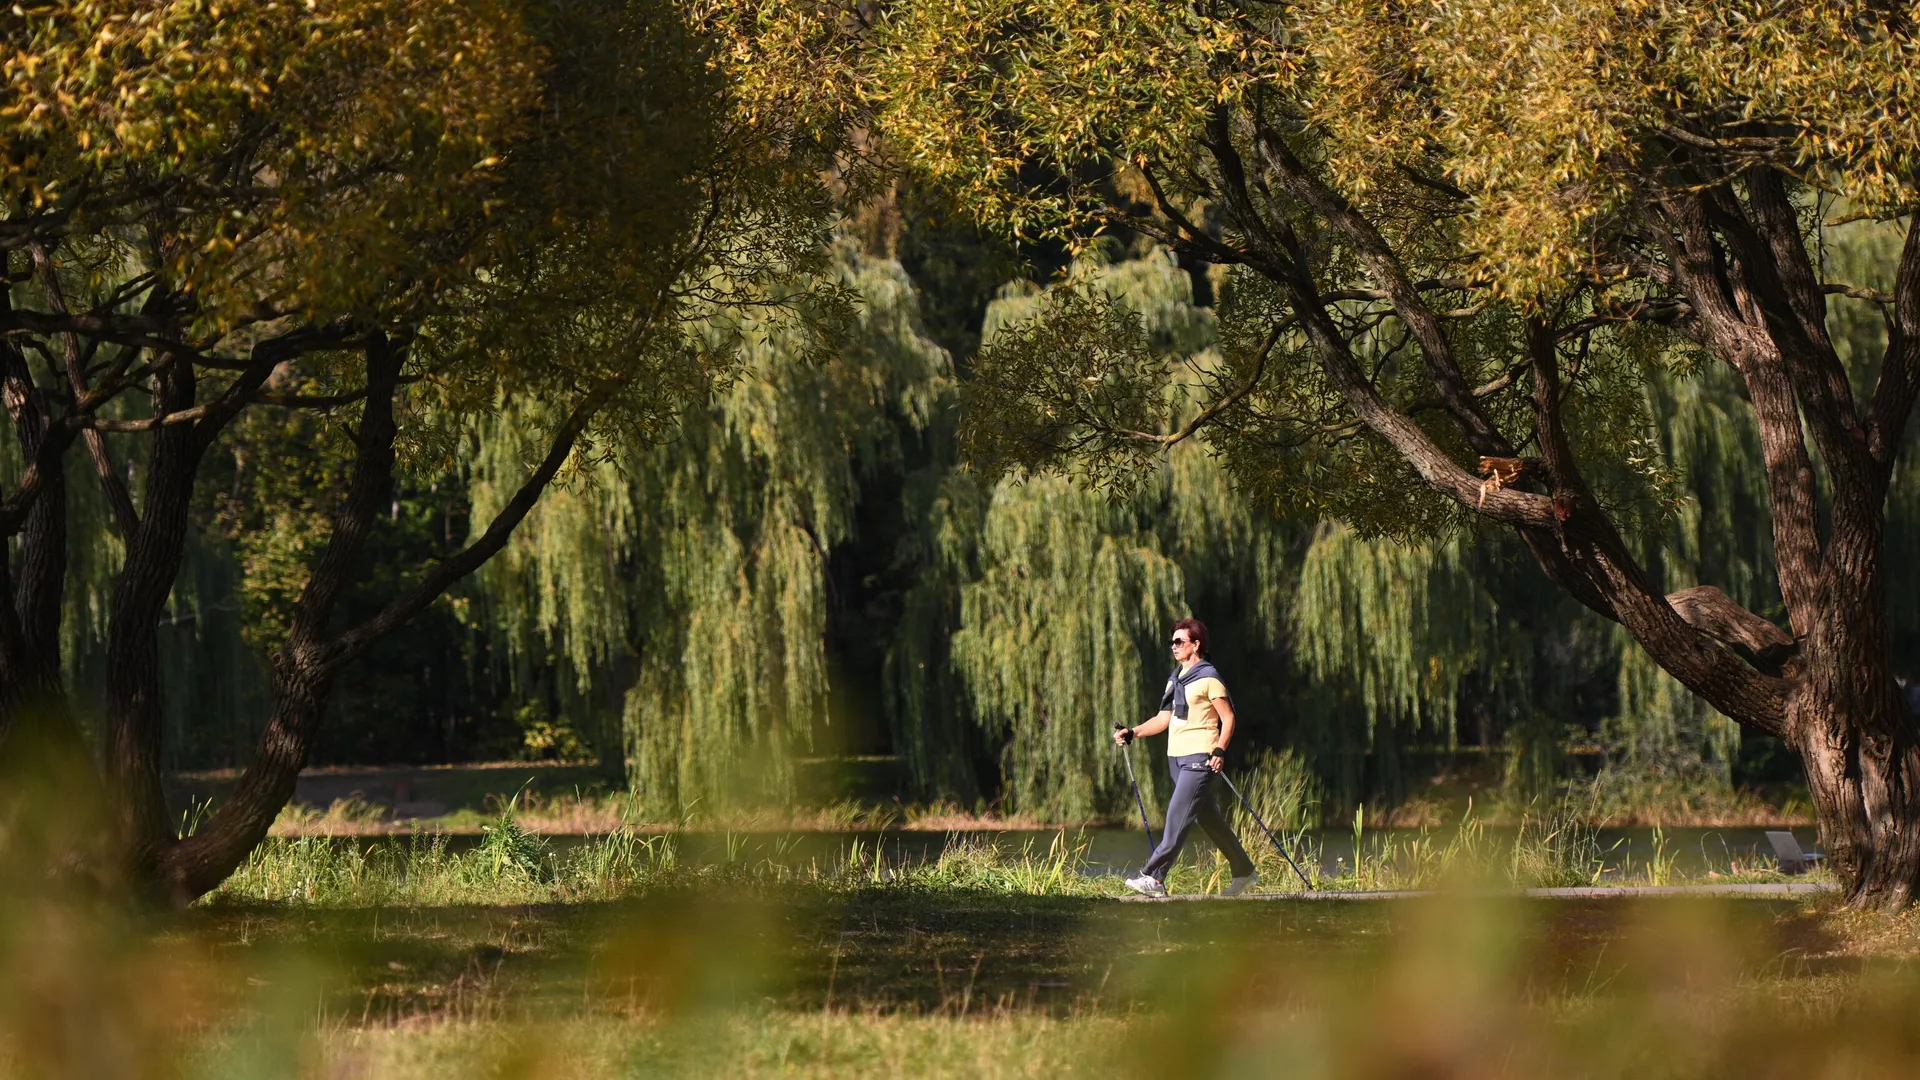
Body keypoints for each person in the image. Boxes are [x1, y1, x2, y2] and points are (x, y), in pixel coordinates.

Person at [1112, 618, 1259, 897]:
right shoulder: (1175, 679)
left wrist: (1219, 750)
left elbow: (1228, 719)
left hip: (1200, 758)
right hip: (1176, 759)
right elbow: (1164, 718)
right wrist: (1134, 733)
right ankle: (1245, 871)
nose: (1174, 646)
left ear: (1196, 644)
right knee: (1210, 820)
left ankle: (1154, 879)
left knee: (1176, 816)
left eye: (1179, 641)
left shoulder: (1209, 678)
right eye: (1172, 642)